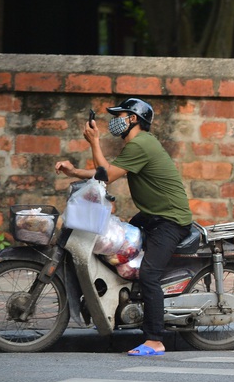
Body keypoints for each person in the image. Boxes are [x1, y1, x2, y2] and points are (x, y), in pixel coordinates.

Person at [55, 98, 192, 357]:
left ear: (133, 120)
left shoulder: (141, 144)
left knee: (149, 275)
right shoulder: (137, 145)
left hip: (170, 220)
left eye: (120, 115)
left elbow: (106, 174)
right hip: (153, 216)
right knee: (121, 244)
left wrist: (94, 142)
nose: (115, 120)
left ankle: (154, 340)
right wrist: (74, 172)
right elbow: (107, 171)